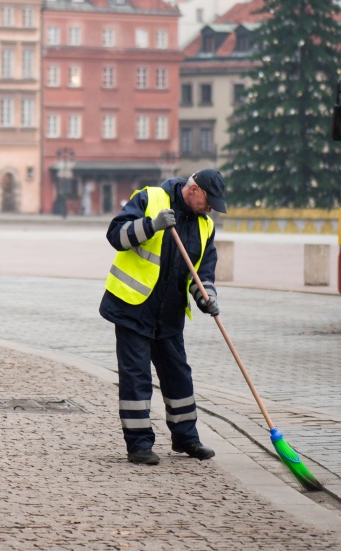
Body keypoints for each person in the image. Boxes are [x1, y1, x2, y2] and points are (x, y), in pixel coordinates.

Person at [100, 168, 227, 466]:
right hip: (133, 307)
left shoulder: (205, 226)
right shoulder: (150, 198)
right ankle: (140, 444)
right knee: (136, 377)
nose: (211, 210)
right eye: (209, 202)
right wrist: (151, 225)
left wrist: (207, 297)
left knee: (178, 374)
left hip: (169, 313)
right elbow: (115, 235)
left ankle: (186, 438)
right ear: (193, 190)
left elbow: (202, 273)